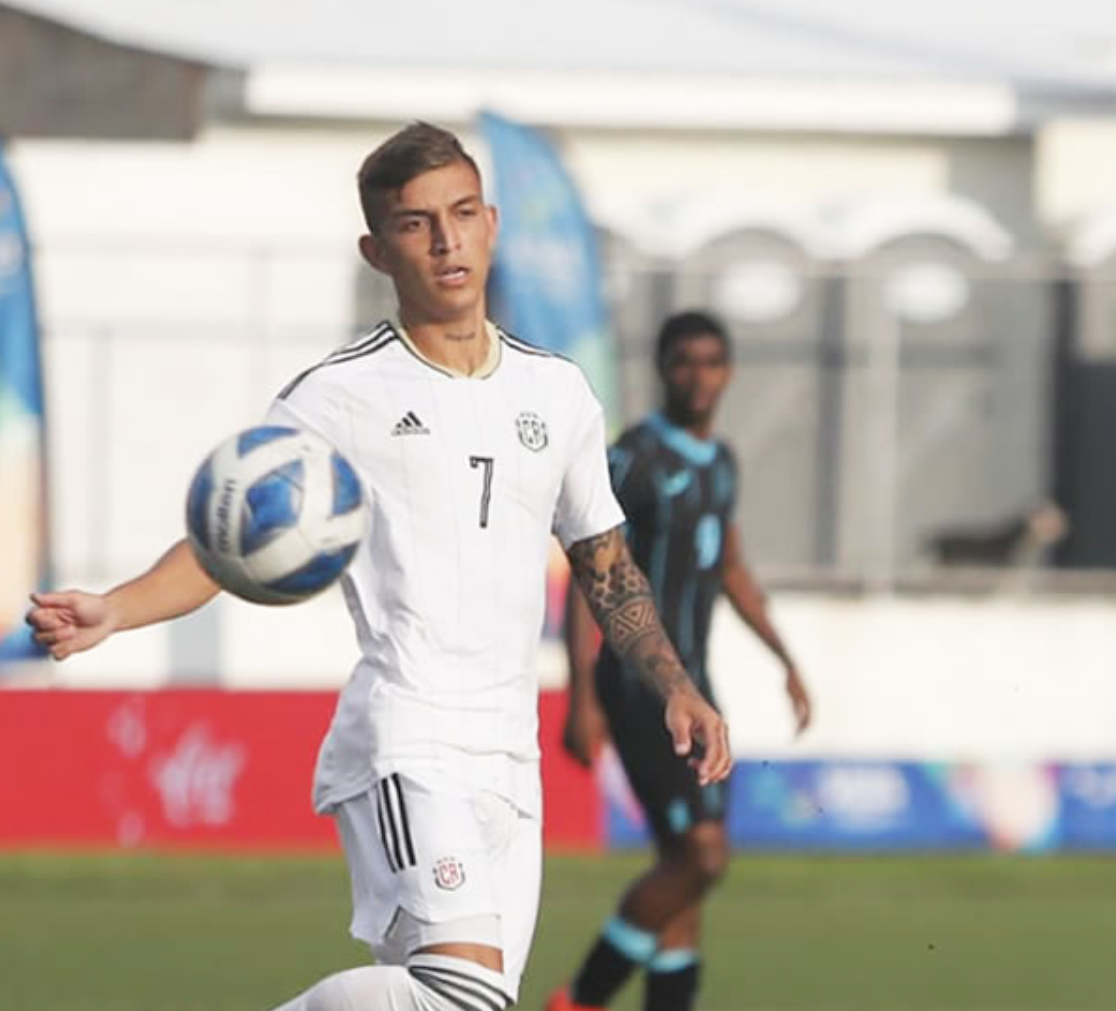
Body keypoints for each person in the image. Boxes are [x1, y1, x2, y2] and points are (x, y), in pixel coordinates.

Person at [26, 122, 731, 1011]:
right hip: (409, 735)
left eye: (463, 214)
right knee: (464, 996)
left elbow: (606, 562)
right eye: (416, 223)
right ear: (377, 249)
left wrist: (675, 681)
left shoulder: (557, 393)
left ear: (493, 223)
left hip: (509, 759)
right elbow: (233, 533)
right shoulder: (341, 394)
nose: (446, 241)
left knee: (458, 1003)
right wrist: (117, 608)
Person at [548, 310, 809, 1011]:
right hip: (639, 687)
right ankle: (582, 997)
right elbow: (592, 572)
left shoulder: (721, 462)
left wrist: (784, 657)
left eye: (712, 361)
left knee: (684, 870)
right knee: (703, 855)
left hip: (697, 687)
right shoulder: (635, 458)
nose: (699, 375)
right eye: (685, 360)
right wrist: (583, 695)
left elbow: (730, 566)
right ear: (663, 367)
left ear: (728, 372)